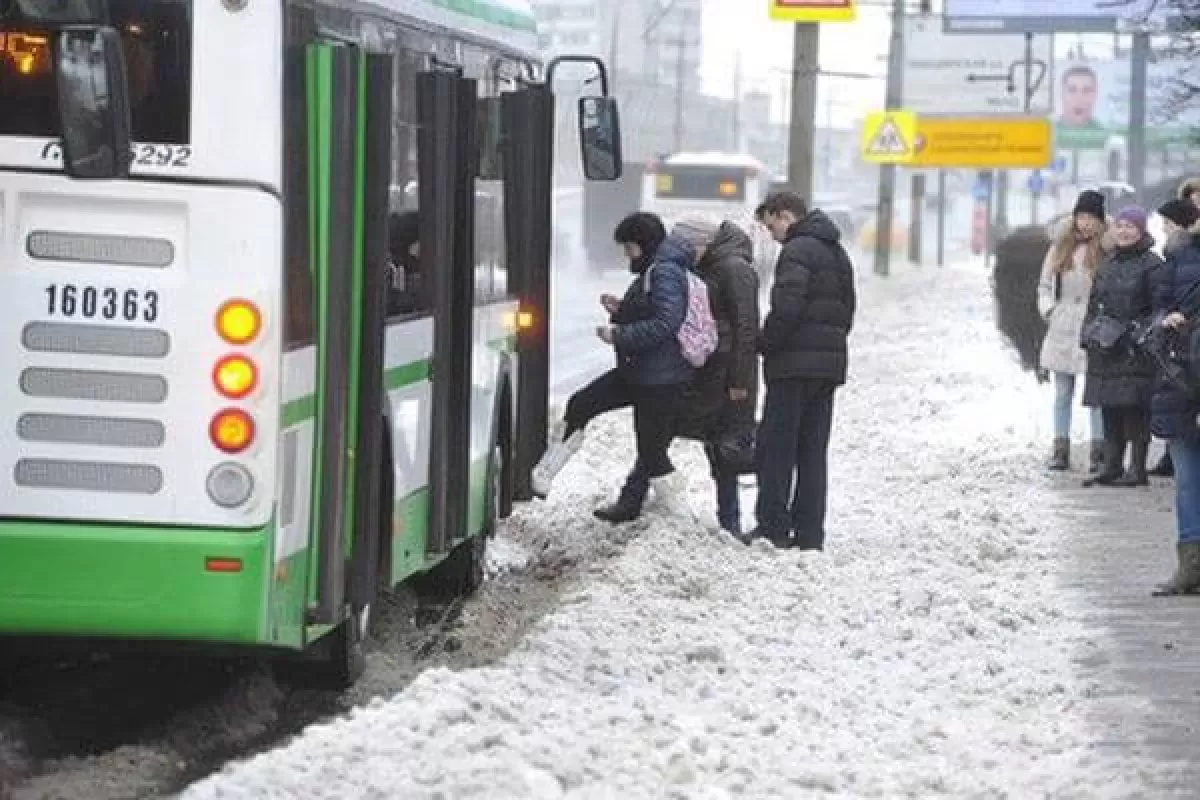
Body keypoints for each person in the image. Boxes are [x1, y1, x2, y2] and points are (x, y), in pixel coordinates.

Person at [595, 218, 761, 535]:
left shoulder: (734, 269)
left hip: (724, 374)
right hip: (700, 366)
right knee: (661, 432)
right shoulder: (707, 266)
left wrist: (739, 382)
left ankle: (730, 522)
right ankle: (632, 500)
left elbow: (746, 328)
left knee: (722, 447)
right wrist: (623, 312)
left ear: (701, 243)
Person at [533, 213, 703, 521]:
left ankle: (682, 519)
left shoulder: (664, 272)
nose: (627, 254)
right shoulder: (658, 269)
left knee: (652, 453)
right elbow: (652, 312)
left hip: (658, 378)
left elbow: (665, 323)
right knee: (583, 403)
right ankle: (544, 475)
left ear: (644, 244)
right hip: (640, 372)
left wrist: (618, 334)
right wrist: (622, 311)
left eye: (629, 247)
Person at [747, 191, 856, 550]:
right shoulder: (837, 252)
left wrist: (766, 342)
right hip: (827, 368)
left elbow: (787, 307)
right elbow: (848, 309)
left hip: (792, 367)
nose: (771, 235)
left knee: (778, 449)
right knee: (812, 452)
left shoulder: (796, 251)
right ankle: (810, 533)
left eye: (770, 225)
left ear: (785, 216)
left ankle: (773, 527)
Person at [1082, 206, 1162, 488]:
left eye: (1131, 226)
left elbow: (1159, 307)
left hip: (1134, 348)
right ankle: (1112, 465)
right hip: (1106, 347)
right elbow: (1093, 304)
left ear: (1141, 230)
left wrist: (1138, 333)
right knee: (1109, 407)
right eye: (1121, 226)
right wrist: (1089, 332)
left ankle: (1137, 468)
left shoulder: (1152, 265)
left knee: (1135, 409)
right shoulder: (1107, 263)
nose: (1125, 231)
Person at [1149, 199, 1200, 594]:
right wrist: (1165, 320)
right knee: (1186, 478)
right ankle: (1190, 567)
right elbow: (1157, 307)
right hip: (1181, 377)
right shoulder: (1176, 259)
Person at [1038, 189, 1108, 472]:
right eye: (1081, 216)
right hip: (1063, 324)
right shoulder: (1059, 247)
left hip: (1093, 325)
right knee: (1062, 392)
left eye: (1091, 217)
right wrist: (1049, 310)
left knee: (1096, 395)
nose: (1085, 222)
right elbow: (1043, 286)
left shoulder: (1106, 249)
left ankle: (1099, 451)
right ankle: (1060, 448)